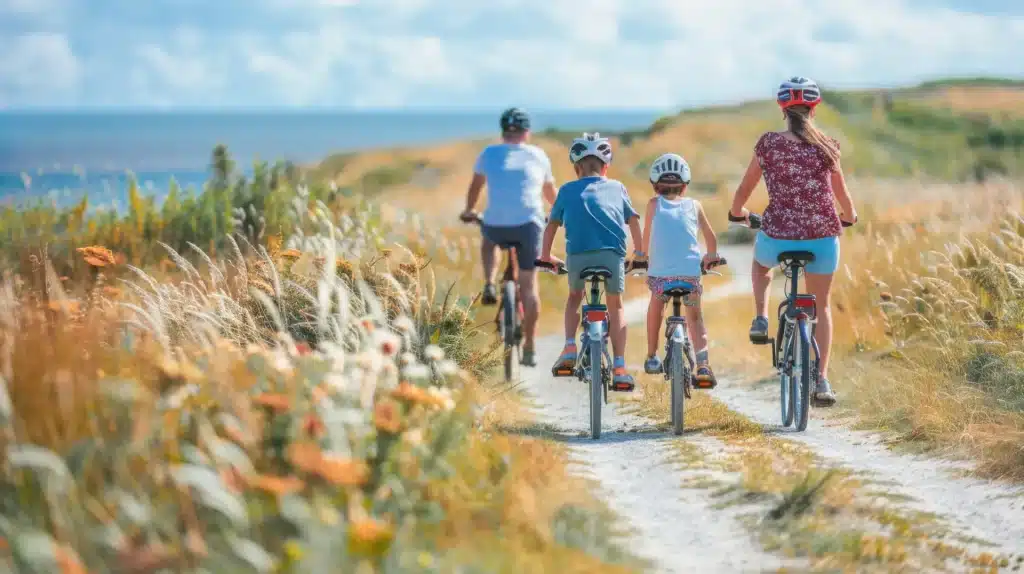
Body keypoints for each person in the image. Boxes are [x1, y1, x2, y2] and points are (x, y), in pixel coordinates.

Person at [728, 77, 858, 407]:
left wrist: (737, 212)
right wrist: (849, 216)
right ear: (814, 108)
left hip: (779, 235)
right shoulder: (828, 145)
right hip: (822, 238)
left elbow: (744, 190)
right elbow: (841, 194)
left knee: (760, 266)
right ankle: (823, 379)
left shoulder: (769, 144)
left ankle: (761, 317)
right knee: (822, 305)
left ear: (781, 109)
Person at [539, 133, 643, 391]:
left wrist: (546, 256)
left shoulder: (565, 190)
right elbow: (633, 221)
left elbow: (551, 225)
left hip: (578, 255)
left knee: (575, 296)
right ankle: (619, 366)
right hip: (611, 255)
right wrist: (640, 254)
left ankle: (569, 347)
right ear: (606, 166)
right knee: (616, 306)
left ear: (576, 168)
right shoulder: (618, 188)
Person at [461, 107, 557, 367]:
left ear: (503, 132)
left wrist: (470, 211)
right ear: (527, 133)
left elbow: (475, 187)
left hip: (497, 224)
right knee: (529, 286)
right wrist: (559, 214)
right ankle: (530, 347)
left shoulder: (489, 153)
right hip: (528, 224)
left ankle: (490, 282)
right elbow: (549, 193)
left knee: (489, 236)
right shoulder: (538, 155)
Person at [641, 153, 722, 387]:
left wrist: (640, 257)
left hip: (660, 280)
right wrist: (711, 256)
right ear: (685, 186)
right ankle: (704, 364)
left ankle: (652, 355)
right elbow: (710, 237)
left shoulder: (653, 205)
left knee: (655, 307)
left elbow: (646, 239)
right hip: (689, 277)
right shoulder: (694, 205)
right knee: (695, 318)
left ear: (655, 186)